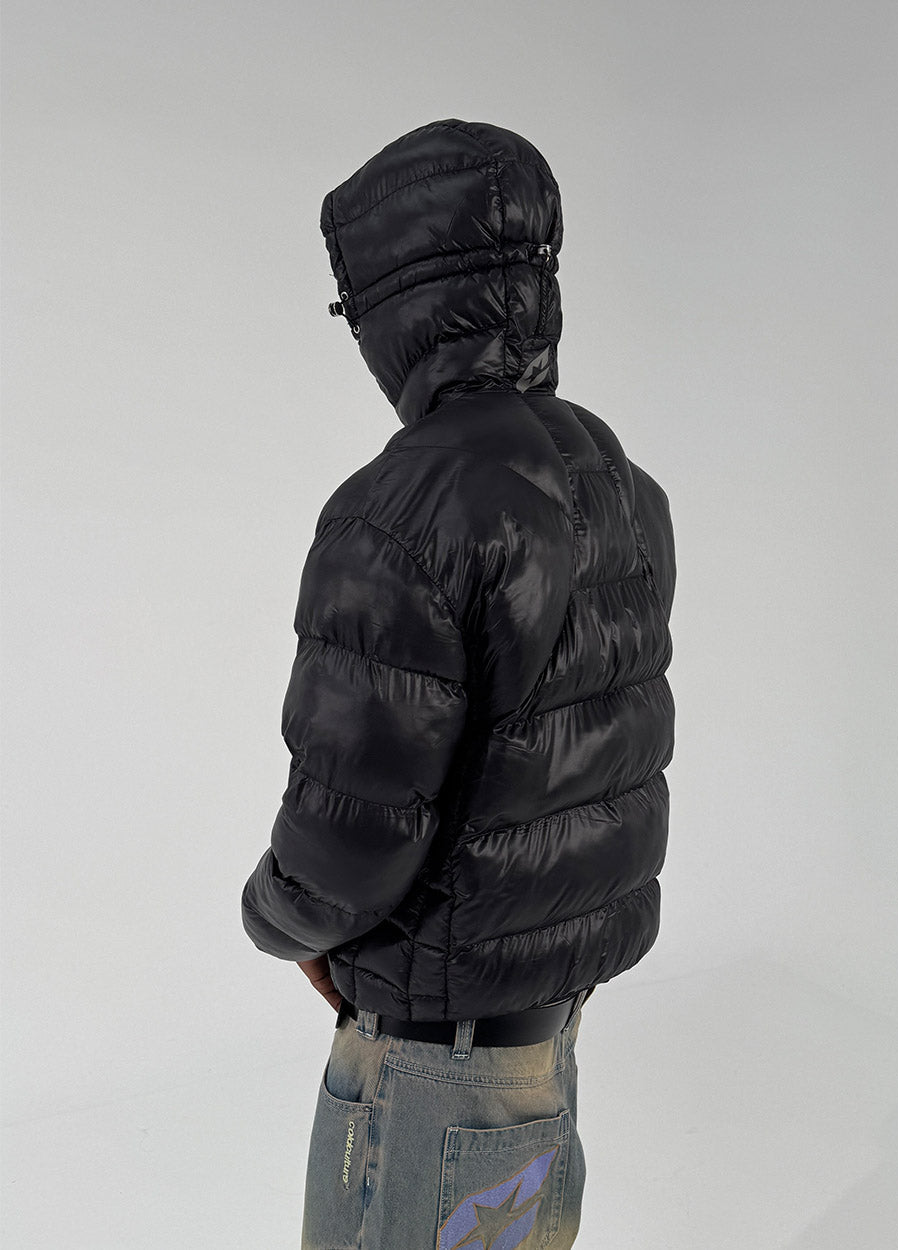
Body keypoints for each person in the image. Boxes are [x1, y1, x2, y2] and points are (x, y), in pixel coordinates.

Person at [241, 117, 676, 1250]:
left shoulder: (401, 510)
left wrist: (277, 915)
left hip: (432, 1062)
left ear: (400, 306)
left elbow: (353, 828)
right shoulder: (620, 483)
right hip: (543, 1040)